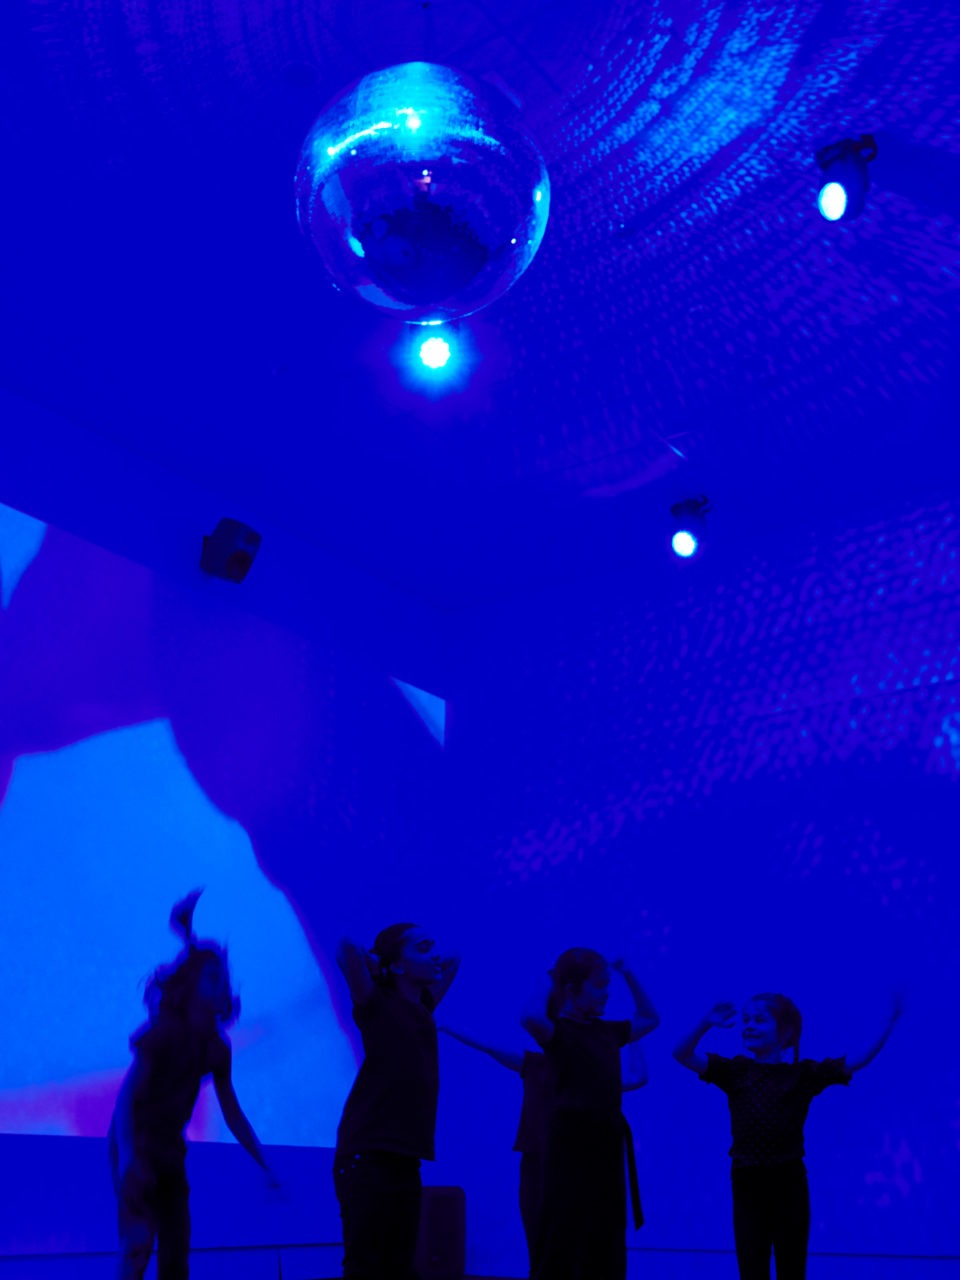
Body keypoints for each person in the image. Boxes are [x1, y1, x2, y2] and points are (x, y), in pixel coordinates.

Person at [673, 991, 903, 1279]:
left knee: (792, 1269)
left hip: (789, 1184)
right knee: (752, 1269)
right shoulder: (735, 1071)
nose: (749, 1025)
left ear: (786, 1032)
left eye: (759, 1020)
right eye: (746, 1020)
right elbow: (681, 1053)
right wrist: (705, 1022)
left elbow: (856, 1061)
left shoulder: (803, 1074)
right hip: (747, 1185)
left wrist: (888, 1023)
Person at [108, 890, 276, 1280]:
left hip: (169, 1157)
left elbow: (232, 1111)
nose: (223, 985)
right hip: (134, 1145)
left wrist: (263, 1160)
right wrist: (130, 1157)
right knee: (135, 1249)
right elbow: (127, 1099)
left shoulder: (217, 1048)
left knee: (176, 1255)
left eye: (225, 979)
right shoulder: (164, 1033)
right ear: (189, 984)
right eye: (213, 977)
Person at [438, 1023, 648, 1277]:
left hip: (572, 1168)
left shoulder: (588, 1074)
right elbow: (488, 1046)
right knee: (539, 1246)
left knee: (570, 1247)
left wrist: (633, 1033)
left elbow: (638, 1077)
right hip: (537, 1165)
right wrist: (448, 1026)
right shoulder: (536, 1064)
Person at [522, 950, 659, 1280]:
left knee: (608, 1224)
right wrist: (549, 979)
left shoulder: (608, 1031)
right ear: (571, 988)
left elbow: (650, 1017)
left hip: (607, 1137)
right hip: (571, 1139)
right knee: (566, 1224)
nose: (605, 992)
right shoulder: (559, 1031)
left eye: (606, 985)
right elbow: (530, 1017)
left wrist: (629, 973)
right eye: (598, 985)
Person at [334, 924, 460, 1280]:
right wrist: (380, 964)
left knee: (399, 1269)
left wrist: (407, 959)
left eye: (433, 944)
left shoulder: (423, 1006)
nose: (435, 953)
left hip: (405, 1159)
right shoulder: (377, 1003)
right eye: (423, 947)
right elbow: (345, 944)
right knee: (366, 1268)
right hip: (366, 1156)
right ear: (399, 965)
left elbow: (456, 958)